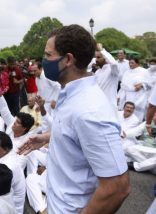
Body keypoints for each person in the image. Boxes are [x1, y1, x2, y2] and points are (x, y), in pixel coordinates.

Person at [19, 24, 130, 213]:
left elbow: (117, 187)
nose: (43, 61)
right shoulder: (71, 94)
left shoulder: (89, 111)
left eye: (48, 55)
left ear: (68, 59)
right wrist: (48, 137)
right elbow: (75, 131)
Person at [94, 43, 120, 107]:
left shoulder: (112, 70)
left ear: (105, 58)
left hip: (110, 105)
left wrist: (102, 50)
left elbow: (114, 63)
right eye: (96, 57)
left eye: (98, 57)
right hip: (98, 104)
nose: (96, 60)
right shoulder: (97, 72)